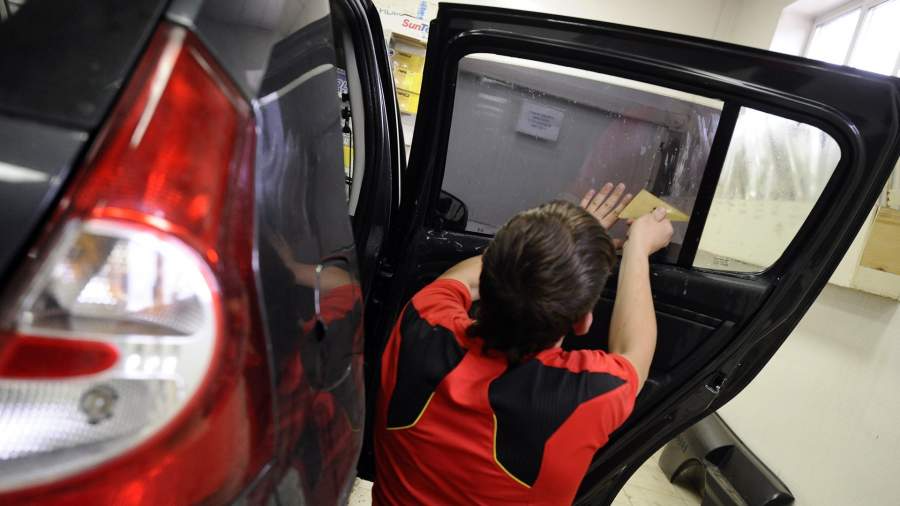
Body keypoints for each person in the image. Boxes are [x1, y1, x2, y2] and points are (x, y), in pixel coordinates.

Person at [373, 183, 674, 505]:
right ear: (583, 321)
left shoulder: (422, 320)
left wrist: (553, 245)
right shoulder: (588, 395)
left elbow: (464, 277)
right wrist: (636, 248)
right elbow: (635, 348)